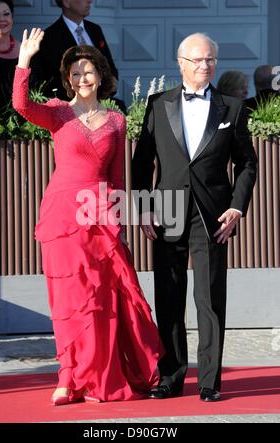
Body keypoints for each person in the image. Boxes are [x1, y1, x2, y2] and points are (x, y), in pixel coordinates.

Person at [13, 28, 162, 405]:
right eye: (75, 74)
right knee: (69, 299)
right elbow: (20, 106)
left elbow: (116, 178)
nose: (82, 79)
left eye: (88, 71)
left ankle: (100, 377)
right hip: (64, 216)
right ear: (68, 80)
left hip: (100, 218)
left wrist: (119, 224)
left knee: (103, 300)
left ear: (101, 74)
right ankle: (67, 378)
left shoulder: (116, 121)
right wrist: (24, 60)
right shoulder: (57, 112)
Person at [132, 33, 257, 402]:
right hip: (166, 211)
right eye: (199, 60)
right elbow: (142, 164)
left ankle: (209, 382)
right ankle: (170, 377)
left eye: (211, 60)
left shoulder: (232, 108)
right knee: (169, 298)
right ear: (181, 63)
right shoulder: (158, 104)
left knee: (209, 299)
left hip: (213, 216)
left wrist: (237, 206)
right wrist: (142, 207)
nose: (206, 66)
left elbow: (247, 163)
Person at [31, 0, 119, 101]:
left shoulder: (95, 29)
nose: (90, 1)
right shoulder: (49, 38)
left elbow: (109, 67)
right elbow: (48, 82)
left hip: (102, 103)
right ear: (66, 2)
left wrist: (108, 88)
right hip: (70, 109)